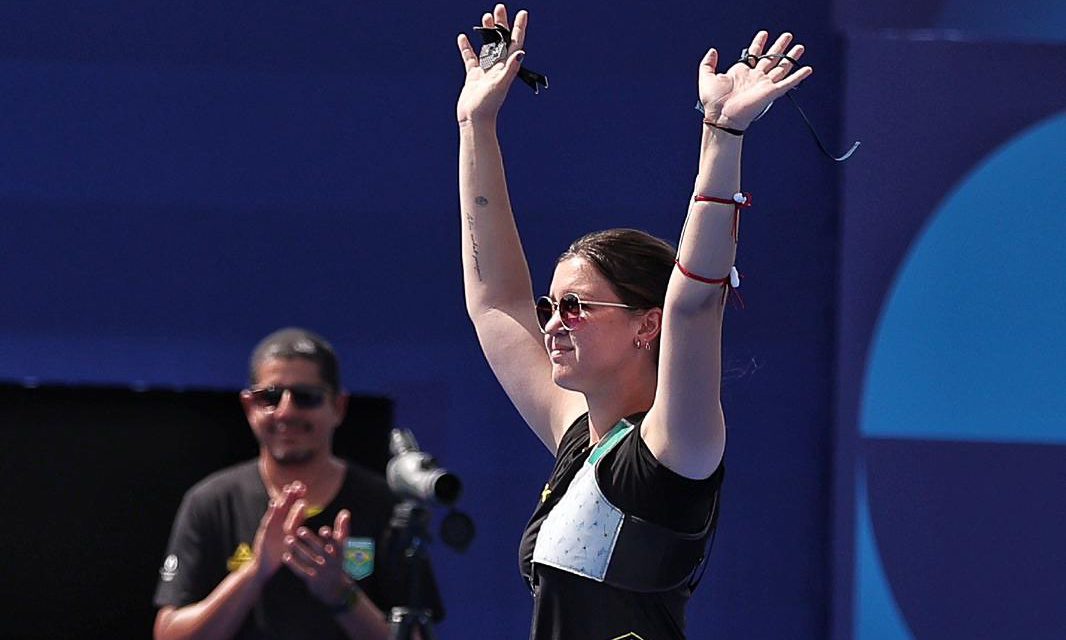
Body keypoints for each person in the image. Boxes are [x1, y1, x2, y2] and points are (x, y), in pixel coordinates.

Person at [456, 5, 811, 638]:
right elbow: (495, 302)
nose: (553, 325)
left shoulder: (677, 450)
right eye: (551, 307)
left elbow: (695, 300)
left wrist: (721, 136)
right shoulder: (580, 441)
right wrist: (476, 122)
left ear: (647, 326)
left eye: (576, 307)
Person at [153, 327, 441, 640]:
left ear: (338, 407)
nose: (286, 411)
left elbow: (416, 636)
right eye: (270, 397)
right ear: (249, 406)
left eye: (306, 397)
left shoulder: (385, 506)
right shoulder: (210, 501)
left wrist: (340, 593)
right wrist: (255, 572)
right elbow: (170, 635)